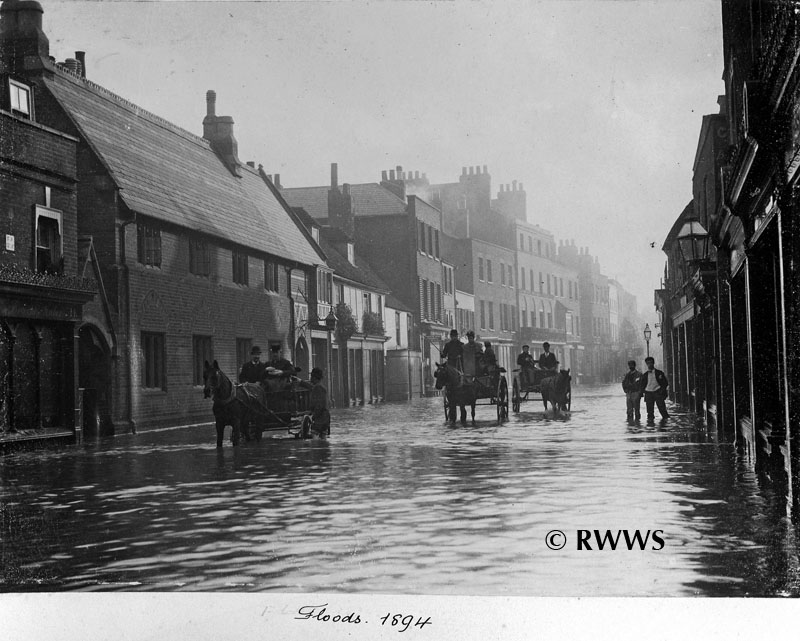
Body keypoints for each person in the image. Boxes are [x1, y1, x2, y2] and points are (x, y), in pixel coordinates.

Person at [640, 356, 669, 422]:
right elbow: (642, 385)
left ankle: (665, 424)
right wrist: (643, 391)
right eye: (648, 363)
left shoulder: (659, 373)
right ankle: (651, 426)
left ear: (653, 363)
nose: (649, 364)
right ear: (646, 364)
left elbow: (665, 383)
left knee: (662, 409)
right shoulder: (645, 375)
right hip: (648, 393)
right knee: (650, 412)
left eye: (651, 363)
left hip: (658, 392)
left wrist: (661, 390)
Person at [308, 367, 331, 436]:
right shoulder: (321, 387)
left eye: (311, 377)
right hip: (325, 417)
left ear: (314, 377)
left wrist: (314, 415)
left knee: (314, 436)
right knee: (323, 438)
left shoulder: (317, 388)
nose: (310, 379)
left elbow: (320, 405)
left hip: (320, 418)